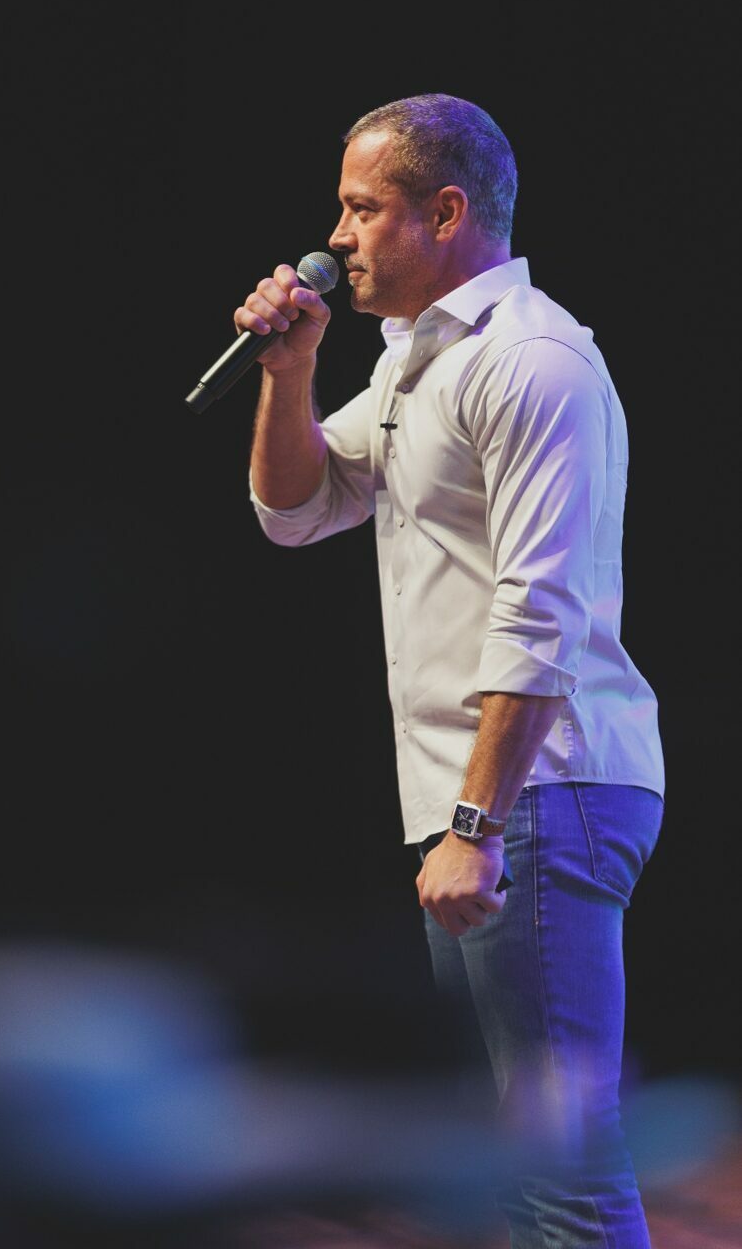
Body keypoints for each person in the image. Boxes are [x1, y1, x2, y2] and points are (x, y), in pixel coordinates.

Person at [231, 93, 665, 1248]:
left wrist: (475, 823)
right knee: (511, 1168)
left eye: (360, 208)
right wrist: (289, 371)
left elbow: (539, 610)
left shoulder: (529, 360)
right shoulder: (417, 362)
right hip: (493, 802)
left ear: (444, 212)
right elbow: (295, 509)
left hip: (537, 794)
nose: (335, 236)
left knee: (561, 1165)